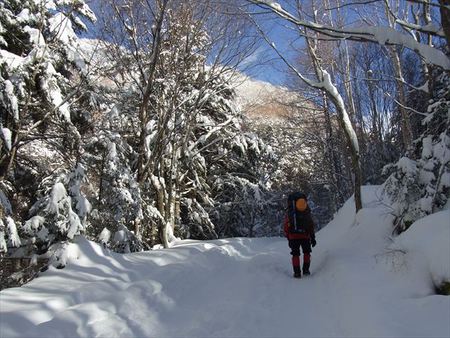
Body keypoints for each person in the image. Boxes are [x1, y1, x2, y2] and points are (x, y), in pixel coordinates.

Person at [283, 192, 316, 278]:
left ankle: (297, 272)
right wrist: (312, 237)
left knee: (295, 254)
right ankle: (306, 270)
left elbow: (286, 226)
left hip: (293, 237)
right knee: (307, 252)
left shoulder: (291, 211)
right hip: (305, 236)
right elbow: (310, 225)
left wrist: (289, 238)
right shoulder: (306, 210)